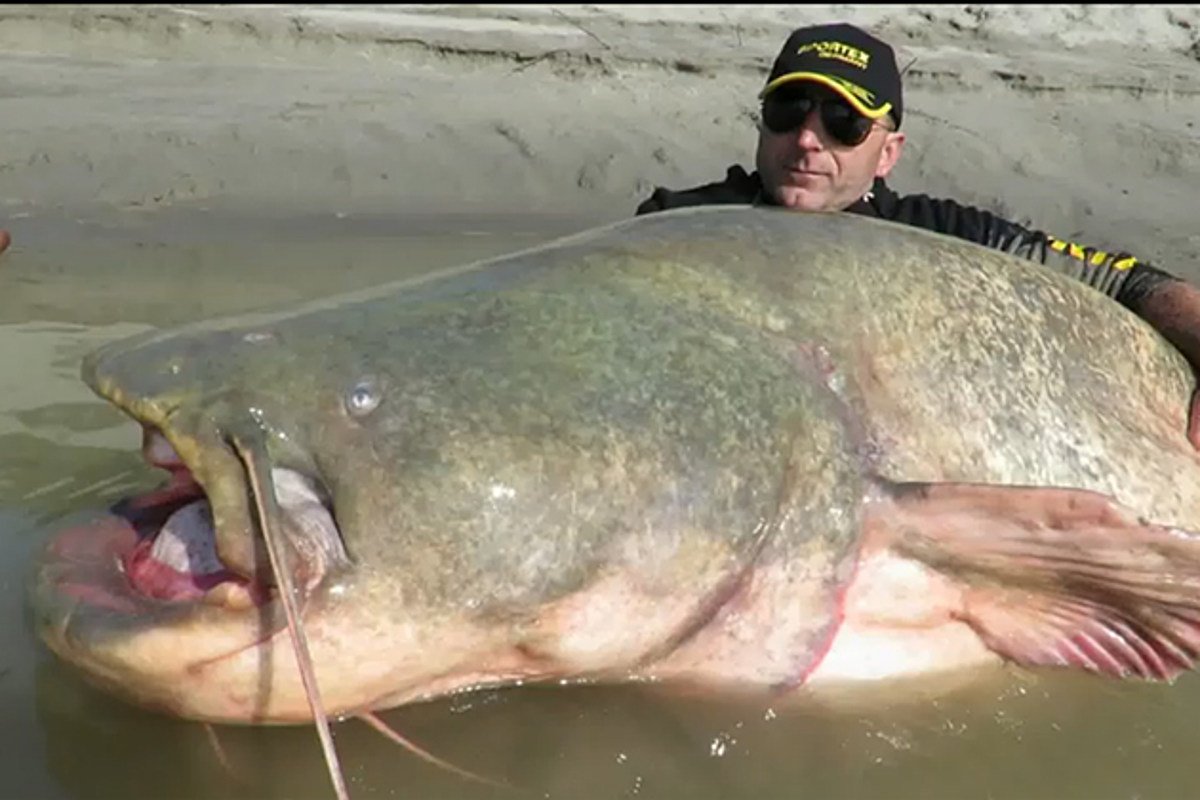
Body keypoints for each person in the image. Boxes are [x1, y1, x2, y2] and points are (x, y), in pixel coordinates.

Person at [636, 22, 1200, 449]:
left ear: (888, 153)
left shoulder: (941, 234)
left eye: (844, 122)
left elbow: (1122, 278)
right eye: (789, 111)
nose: (808, 139)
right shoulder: (673, 223)